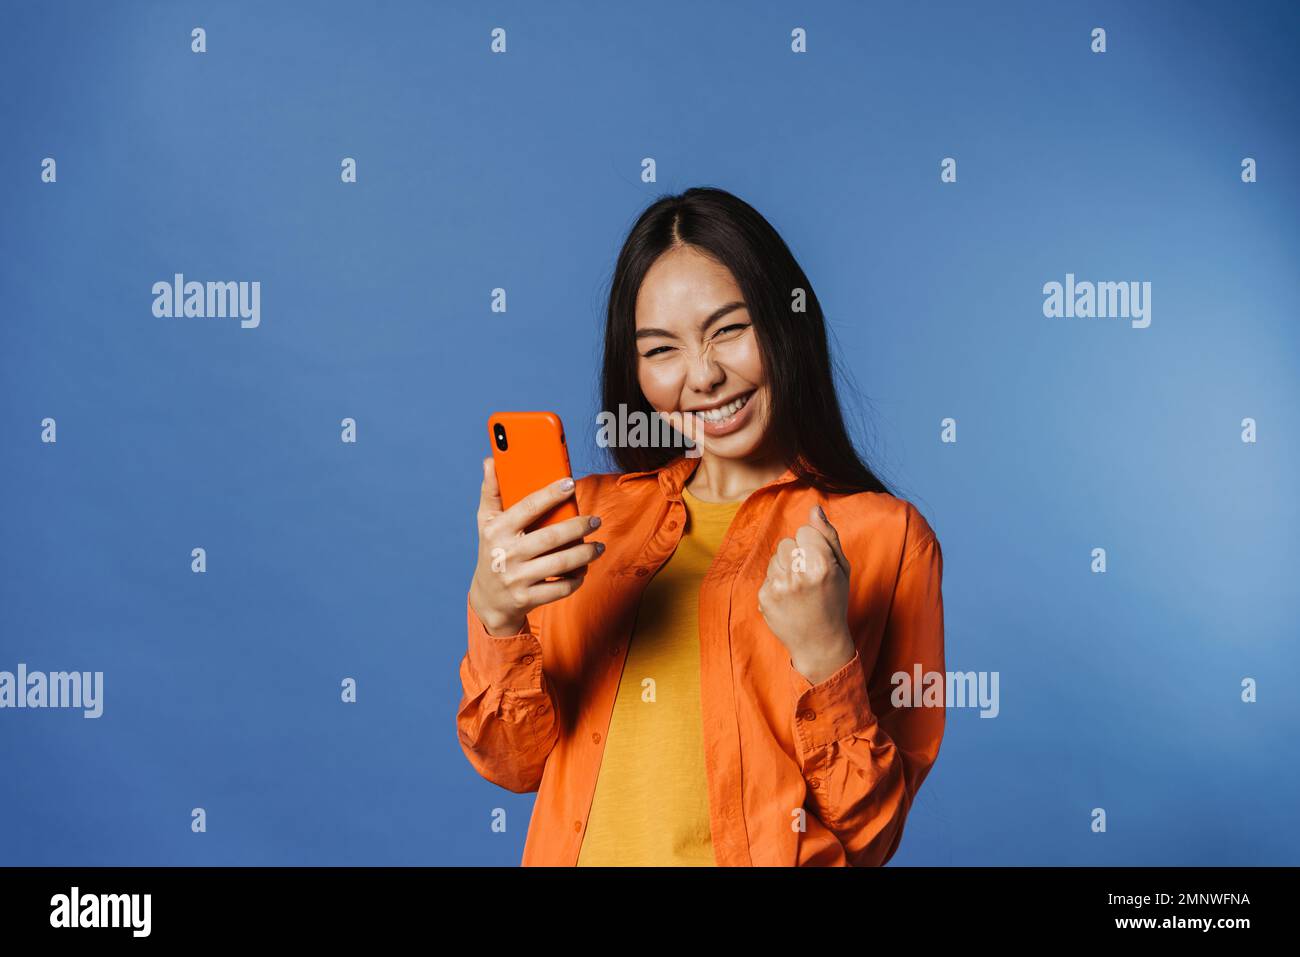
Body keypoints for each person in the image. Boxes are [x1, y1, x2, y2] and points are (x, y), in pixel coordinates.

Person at [458, 186, 945, 866]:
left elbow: (874, 831)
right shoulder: (584, 525)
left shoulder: (888, 539)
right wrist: (496, 613)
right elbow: (512, 762)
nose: (705, 375)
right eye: (662, 350)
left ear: (786, 321)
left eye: (729, 330)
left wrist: (826, 654)